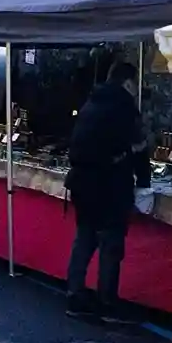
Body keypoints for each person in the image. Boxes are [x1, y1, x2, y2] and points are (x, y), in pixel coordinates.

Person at [64, 58, 144, 322]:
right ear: (129, 82)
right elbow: (137, 146)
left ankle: (75, 295)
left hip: (81, 181)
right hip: (109, 183)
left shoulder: (92, 102)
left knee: (85, 237)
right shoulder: (124, 106)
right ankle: (107, 301)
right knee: (110, 241)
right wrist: (144, 180)